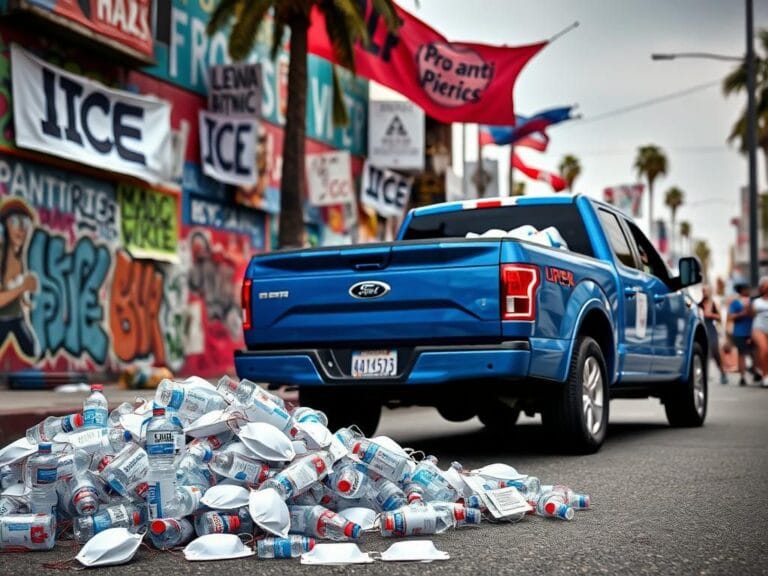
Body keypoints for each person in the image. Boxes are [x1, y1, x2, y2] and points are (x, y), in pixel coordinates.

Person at [0, 198, 39, 359]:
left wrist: (26, 299)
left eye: (25, 222)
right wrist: (22, 288)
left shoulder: (20, 256)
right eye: (15, 221)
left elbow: (16, 291)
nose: (21, 228)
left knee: (32, 352)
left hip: (17, 318)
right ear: (5, 226)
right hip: (2, 320)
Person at [727, 282, 761, 386]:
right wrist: (742, 313)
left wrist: (750, 310)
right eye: (746, 289)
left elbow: (755, 315)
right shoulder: (735, 303)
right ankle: (742, 377)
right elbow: (730, 317)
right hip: (739, 332)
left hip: (752, 331)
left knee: (755, 353)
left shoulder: (752, 302)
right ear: (741, 291)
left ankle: (755, 371)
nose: (748, 291)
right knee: (741, 354)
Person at [699, 285, 728, 384]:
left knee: (715, 352)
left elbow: (719, 317)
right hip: (702, 328)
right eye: (703, 291)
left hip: (711, 328)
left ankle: (723, 372)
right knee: (704, 353)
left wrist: (710, 315)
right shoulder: (699, 303)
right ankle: (704, 376)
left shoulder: (713, 304)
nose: (704, 293)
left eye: (706, 291)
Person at [750, 277, 768, 388]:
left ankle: (760, 370)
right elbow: (750, 315)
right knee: (764, 350)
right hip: (759, 327)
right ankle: (765, 376)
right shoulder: (756, 301)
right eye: (765, 285)